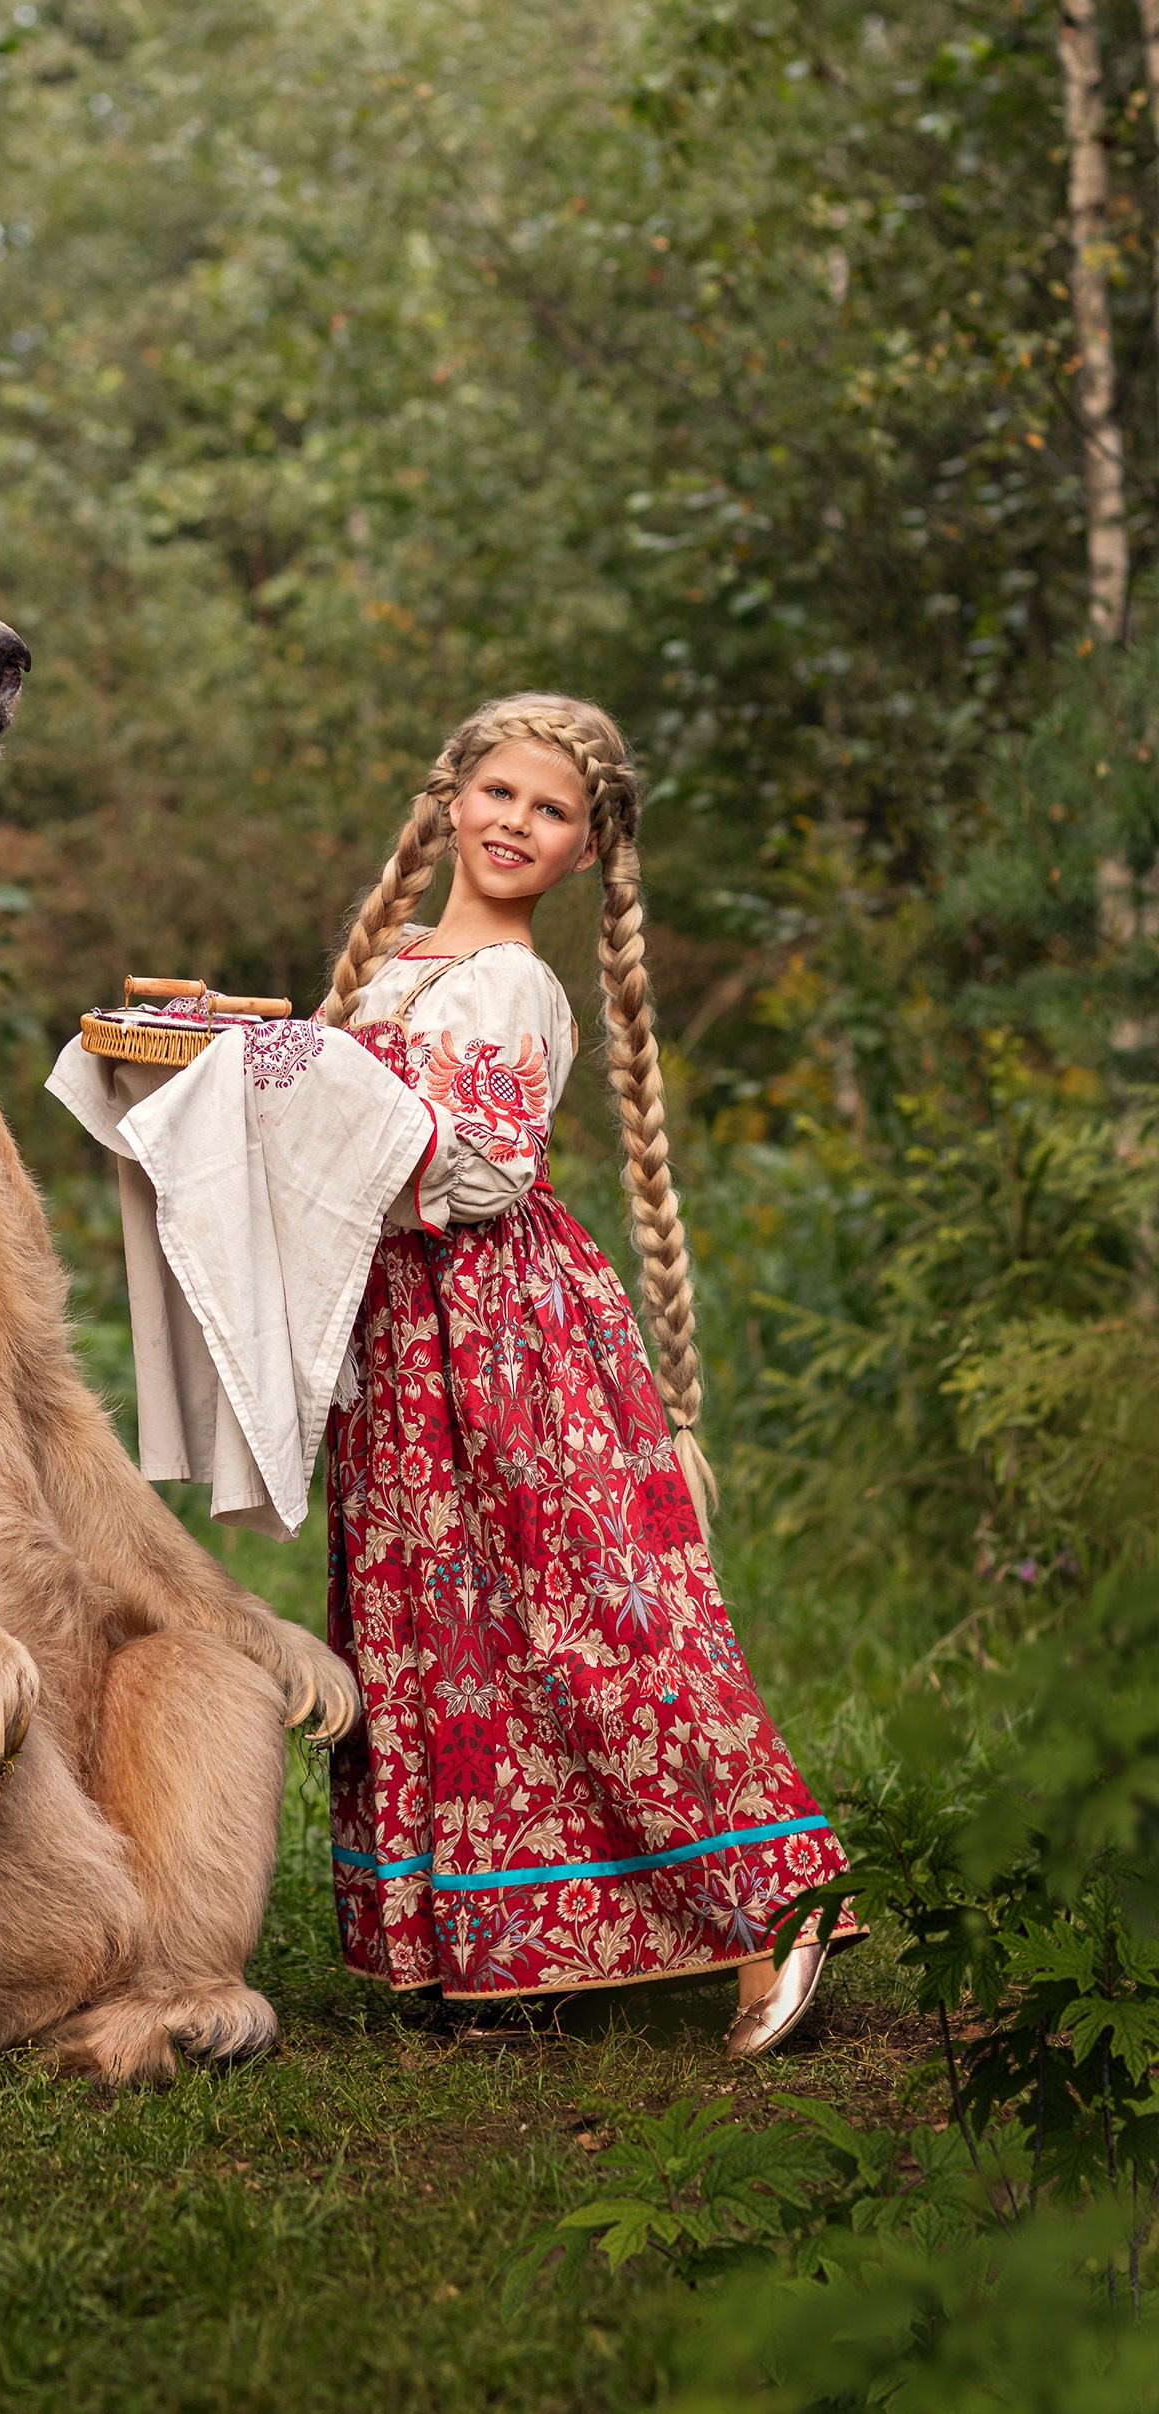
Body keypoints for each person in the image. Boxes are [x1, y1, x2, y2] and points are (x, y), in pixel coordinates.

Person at [317, 694, 859, 2057]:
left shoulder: (506, 984)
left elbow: (479, 1171)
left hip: (506, 1334)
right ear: (449, 800)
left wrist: (302, 1144)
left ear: (583, 855)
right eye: (499, 792)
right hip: (405, 1346)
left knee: (592, 1626)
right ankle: (498, 1947)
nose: (515, 823)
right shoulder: (401, 966)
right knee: (447, 1638)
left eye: (550, 811)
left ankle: (773, 1905)